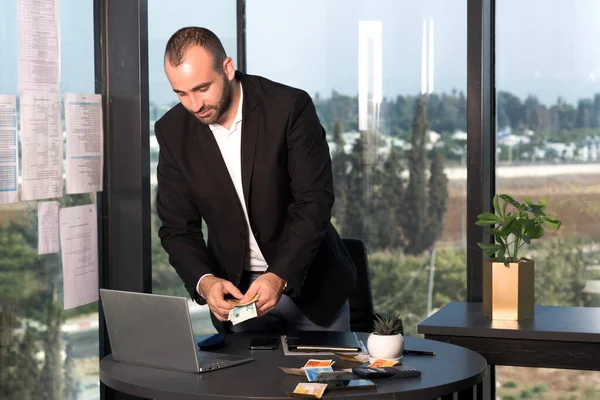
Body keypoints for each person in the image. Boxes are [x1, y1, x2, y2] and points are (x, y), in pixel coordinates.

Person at [155, 26, 356, 334]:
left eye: (202, 88)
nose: (194, 105)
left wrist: (280, 276)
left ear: (227, 68)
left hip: (310, 287)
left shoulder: (289, 108)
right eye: (181, 93)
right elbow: (177, 229)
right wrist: (205, 282)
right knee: (247, 383)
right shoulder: (172, 132)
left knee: (323, 382)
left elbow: (314, 202)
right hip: (237, 298)